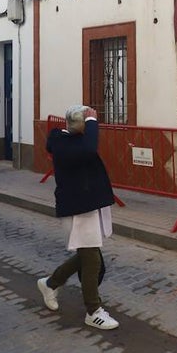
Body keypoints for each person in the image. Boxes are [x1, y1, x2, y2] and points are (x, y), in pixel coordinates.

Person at [37, 105, 119, 330]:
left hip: (86, 206)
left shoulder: (72, 141)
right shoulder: (64, 144)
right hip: (76, 209)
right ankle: (93, 310)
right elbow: (90, 149)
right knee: (92, 258)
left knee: (87, 256)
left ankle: (50, 283)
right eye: (89, 125)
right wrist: (92, 121)